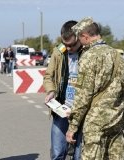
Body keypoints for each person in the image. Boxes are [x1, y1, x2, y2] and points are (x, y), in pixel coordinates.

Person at [66, 17, 124, 160]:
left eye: (79, 38)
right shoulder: (116, 55)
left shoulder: (88, 57)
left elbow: (83, 96)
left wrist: (72, 127)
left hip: (96, 121)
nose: (79, 42)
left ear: (85, 36)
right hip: (116, 118)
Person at [43, 20, 83, 160]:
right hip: (61, 109)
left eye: (72, 45)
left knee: (80, 156)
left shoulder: (90, 54)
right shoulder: (59, 52)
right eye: (65, 44)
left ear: (80, 37)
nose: (68, 48)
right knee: (57, 153)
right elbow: (48, 76)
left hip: (82, 112)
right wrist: (51, 91)